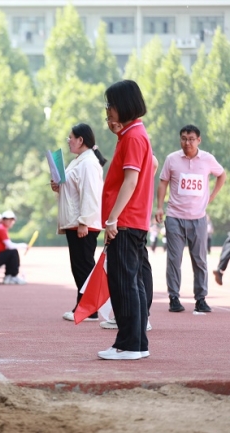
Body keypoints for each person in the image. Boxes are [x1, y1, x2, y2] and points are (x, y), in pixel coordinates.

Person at [98, 80, 153, 361]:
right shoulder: (133, 134)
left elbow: (130, 182)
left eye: (110, 104)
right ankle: (137, 342)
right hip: (133, 220)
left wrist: (112, 219)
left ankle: (129, 344)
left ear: (124, 105)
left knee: (124, 284)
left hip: (126, 221)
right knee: (133, 283)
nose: (108, 110)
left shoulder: (132, 137)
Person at [156, 124, 226, 313]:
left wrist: (210, 197)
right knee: (174, 259)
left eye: (191, 139)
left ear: (199, 140)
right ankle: (174, 298)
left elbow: (221, 175)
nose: (187, 142)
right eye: (184, 139)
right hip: (175, 217)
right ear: (180, 140)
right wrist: (160, 207)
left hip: (198, 218)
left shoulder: (208, 159)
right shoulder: (171, 159)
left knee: (200, 260)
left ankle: (201, 299)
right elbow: (163, 183)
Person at [50, 124, 106, 322]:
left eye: (71, 137)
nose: (68, 141)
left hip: (82, 223)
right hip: (76, 221)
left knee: (83, 266)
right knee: (80, 266)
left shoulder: (88, 163)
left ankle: (88, 308)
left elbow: (90, 194)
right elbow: (74, 189)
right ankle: (84, 305)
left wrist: (84, 222)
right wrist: (59, 187)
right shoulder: (79, 161)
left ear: (81, 140)